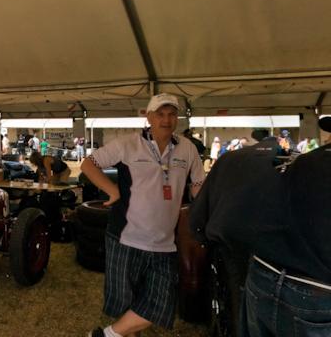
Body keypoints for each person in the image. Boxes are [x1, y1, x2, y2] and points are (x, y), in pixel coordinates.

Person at [192, 116, 331, 337]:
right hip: (313, 286)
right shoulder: (294, 159)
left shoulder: (302, 162)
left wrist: (201, 235)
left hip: (263, 266)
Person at [82, 93, 205, 337]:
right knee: (127, 304)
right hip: (126, 238)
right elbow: (88, 164)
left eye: (172, 114)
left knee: (160, 303)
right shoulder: (128, 144)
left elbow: (198, 183)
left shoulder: (188, 148)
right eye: (160, 114)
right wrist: (112, 190)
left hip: (165, 242)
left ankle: (106, 335)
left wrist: (204, 202)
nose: (166, 120)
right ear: (149, 117)